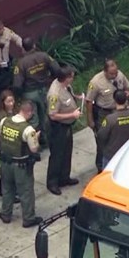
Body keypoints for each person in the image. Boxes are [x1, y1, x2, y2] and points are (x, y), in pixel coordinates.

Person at [0, 100, 43, 227]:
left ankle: (5, 214)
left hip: (5, 162)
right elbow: (34, 149)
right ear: (30, 112)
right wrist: (36, 138)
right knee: (26, 192)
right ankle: (28, 218)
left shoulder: (5, 121)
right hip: (21, 166)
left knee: (7, 188)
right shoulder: (28, 129)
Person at [12, 37, 60, 147]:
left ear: (23, 49)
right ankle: (48, 139)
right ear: (34, 46)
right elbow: (57, 69)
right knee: (47, 115)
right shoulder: (44, 56)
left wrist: (18, 98)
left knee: (33, 120)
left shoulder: (21, 63)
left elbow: (17, 85)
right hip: (44, 90)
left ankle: (33, 146)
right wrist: (51, 80)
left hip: (29, 93)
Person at [86, 59, 129, 172]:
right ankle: (101, 166)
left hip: (117, 110)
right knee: (102, 139)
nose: (114, 75)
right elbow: (89, 101)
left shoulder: (119, 75)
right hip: (103, 113)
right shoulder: (96, 82)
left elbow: (126, 88)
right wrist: (90, 119)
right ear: (105, 71)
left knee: (118, 137)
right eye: (111, 74)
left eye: (115, 73)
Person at [46, 66, 83, 195]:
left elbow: (68, 96)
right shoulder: (55, 94)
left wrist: (76, 97)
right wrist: (72, 115)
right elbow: (53, 115)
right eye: (72, 76)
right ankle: (53, 182)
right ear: (66, 78)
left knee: (67, 151)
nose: (73, 78)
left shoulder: (65, 86)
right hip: (58, 128)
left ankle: (64, 178)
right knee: (57, 155)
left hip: (66, 126)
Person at [97, 89, 129, 168]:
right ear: (126, 100)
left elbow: (101, 135)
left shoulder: (110, 119)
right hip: (128, 152)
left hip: (112, 154)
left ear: (114, 100)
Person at [0, 90, 19, 203]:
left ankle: (4, 189)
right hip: (4, 145)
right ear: (3, 102)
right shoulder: (1, 116)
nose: (11, 103)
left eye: (12, 100)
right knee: (6, 168)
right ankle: (6, 191)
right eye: (9, 101)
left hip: (13, 143)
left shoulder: (15, 112)